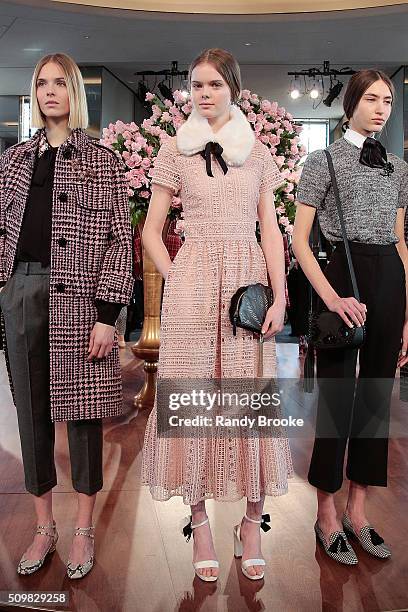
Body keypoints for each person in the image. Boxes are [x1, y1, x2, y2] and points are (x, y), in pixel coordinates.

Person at [141, 48, 293, 582]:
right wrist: (178, 276)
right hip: (193, 289)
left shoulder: (257, 153)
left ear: (232, 87)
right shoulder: (173, 149)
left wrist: (280, 295)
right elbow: (151, 228)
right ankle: (200, 521)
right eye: (196, 85)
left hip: (247, 285)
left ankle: (251, 523)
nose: (204, 94)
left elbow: (270, 229)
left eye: (213, 85)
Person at [0, 53, 133, 578]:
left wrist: (107, 314)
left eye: (60, 82)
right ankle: (43, 526)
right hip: (21, 290)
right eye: (41, 83)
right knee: (30, 415)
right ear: (34, 94)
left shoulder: (101, 160)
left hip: (80, 300)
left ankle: (82, 528)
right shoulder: (11, 160)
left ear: (74, 92)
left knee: (81, 418)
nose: (50, 91)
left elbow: (120, 241)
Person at [293, 70, 408, 564]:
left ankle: (358, 513)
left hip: (389, 276)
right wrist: (333, 299)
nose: (383, 109)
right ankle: (326, 515)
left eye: (389, 101)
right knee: (337, 401)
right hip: (341, 273)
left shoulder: (399, 167)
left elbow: (401, 240)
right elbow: (299, 242)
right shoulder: (321, 162)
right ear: (351, 103)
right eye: (373, 99)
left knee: (378, 398)